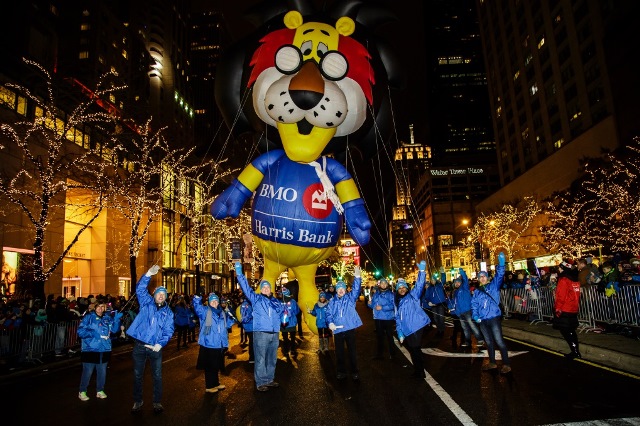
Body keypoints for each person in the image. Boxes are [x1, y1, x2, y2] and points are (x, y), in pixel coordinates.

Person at [127, 265, 175, 413]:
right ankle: (138, 401)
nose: (161, 296)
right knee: (137, 375)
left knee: (157, 376)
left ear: (166, 297)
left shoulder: (168, 313)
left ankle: (157, 402)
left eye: (164, 294)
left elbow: (169, 330)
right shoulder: (146, 303)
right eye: (159, 293)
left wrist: (160, 344)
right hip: (140, 346)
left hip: (155, 348)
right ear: (154, 295)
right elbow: (140, 289)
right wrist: (148, 274)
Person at [235, 262, 284, 392]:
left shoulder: (276, 302)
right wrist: (239, 274)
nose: (266, 289)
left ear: (271, 289)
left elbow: (282, 313)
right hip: (261, 333)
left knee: (272, 358)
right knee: (261, 358)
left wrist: (284, 316)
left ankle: (269, 379)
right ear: (261, 289)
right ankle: (261, 382)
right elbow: (246, 288)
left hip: (274, 333)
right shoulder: (256, 299)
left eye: (268, 287)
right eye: (264, 287)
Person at [471, 252, 509, 374]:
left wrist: (501, 264)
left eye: (484, 276)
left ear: (487, 277)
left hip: (493, 318)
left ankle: (506, 364)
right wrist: (475, 315)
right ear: (478, 279)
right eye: (480, 277)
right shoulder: (477, 292)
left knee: (499, 341)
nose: (482, 278)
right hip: (483, 320)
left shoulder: (493, 286)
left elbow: (500, 275)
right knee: (489, 342)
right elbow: (474, 305)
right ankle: (492, 362)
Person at [77, 301, 122, 401]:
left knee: (102, 371)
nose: (100, 308)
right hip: (90, 349)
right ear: (95, 307)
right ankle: (82, 391)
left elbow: (114, 330)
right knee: (88, 372)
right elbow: (80, 331)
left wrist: (117, 320)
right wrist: (93, 333)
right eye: (99, 306)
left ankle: (100, 390)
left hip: (104, 348)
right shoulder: (89, 317)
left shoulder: (107, 318)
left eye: (103, 307)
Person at [192, 292, 234, 393]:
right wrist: (197, 297)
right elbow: (197, 307)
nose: (215, 303)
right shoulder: (205, 311)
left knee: (216, 365)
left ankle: (216, 383)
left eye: (216, 301)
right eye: (212, 301)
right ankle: (209, 386)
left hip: (219, 344)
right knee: (210, 366)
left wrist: (231, 319)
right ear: (209, 302)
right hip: (208, 343)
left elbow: (225, 327)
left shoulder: (222, 312)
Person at [326, 266, 362, 380]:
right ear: (336, 290)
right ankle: (341, 371)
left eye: (342, 288)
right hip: (337, 329)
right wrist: (330, 323)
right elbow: (328, 314)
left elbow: (356, 289)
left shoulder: (350, 298)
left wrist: (357, 276)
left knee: (352, 351)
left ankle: (355, 371)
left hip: (349, 328)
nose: (341, 290)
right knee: (340, 353)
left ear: (345, 289)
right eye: (339, 288)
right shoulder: (332, 302)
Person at [395, 261, 431, 378]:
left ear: (407, 288)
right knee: (414, 350)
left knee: (415, 350)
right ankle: (419, 370)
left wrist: (421, 271)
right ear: (397, 290)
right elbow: (398, 319)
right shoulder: (396, 302)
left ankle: (420, 373)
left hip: (416, 327)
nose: (402, 289)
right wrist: (400, 332)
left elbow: (420, 285)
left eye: (403, 287)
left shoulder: (413, 295)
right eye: (399, 288)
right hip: (407, 330)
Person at [553, 261, 582, 359]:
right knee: (570, 330)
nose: (559, 270)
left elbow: (561, 296)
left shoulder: (564, 279)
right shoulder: (575, 280)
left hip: (565, 308)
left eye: (560, 268)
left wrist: (557, 309)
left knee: (566, 330)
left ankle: (575, 351)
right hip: (573, 308)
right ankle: (575, 350)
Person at [450, 269, 484, 349]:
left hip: (467, 310)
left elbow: (465, 278)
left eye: (458, 282)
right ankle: (468, 341)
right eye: (456, 282)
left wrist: (462, 272)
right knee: (465, 328)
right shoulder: (455, 292)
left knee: (472, 326)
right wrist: (456, 312)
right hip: (460, 313)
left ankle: (480, 339)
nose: (457, 283)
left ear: (461, 283)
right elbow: (455, 303)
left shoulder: (464, 288)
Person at [367, 277, 396, 360]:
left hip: (388, 318)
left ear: (387, 285)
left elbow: (393, 305)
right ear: (379, 285)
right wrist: (369, 304)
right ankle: (380, 354)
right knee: (379, 337)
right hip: (378, 318)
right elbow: (374, 306)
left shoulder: (391, 294)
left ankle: (392, 354)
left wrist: (382, 307)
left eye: (385, 283)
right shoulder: (376, 294)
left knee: (390, 336)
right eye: (382, 283)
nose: (383, 285)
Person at [422, 271, 447, 337]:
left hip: (440, 305)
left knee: (441, 318)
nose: (433, 281)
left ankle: (442, 331)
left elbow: (443, 279)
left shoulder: (439, 286)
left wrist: (442, 273)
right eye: (432, 280)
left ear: (435, 280)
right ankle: (439, 330)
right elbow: (427, 297)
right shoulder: (429, 288)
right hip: (433, 306)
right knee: (436, 319)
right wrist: (428, 302)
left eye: (434, 280)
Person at [280, 287, 300, 358]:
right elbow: (297, 311)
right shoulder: (293, 302)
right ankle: (293, 350)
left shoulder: (280, 302)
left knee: (285, 338)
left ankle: (286, 351)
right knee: (292, 337)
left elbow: (278, 312)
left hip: (284, 323)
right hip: (292, 323)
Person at [239, 297, 255, 363]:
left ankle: (253, 357)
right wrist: (254, 314)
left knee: (253, 341)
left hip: (250, 326)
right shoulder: (246, 305)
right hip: (250, 326)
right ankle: (252, 357)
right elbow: (246, 316)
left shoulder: (247, 303)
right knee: (252, 342)